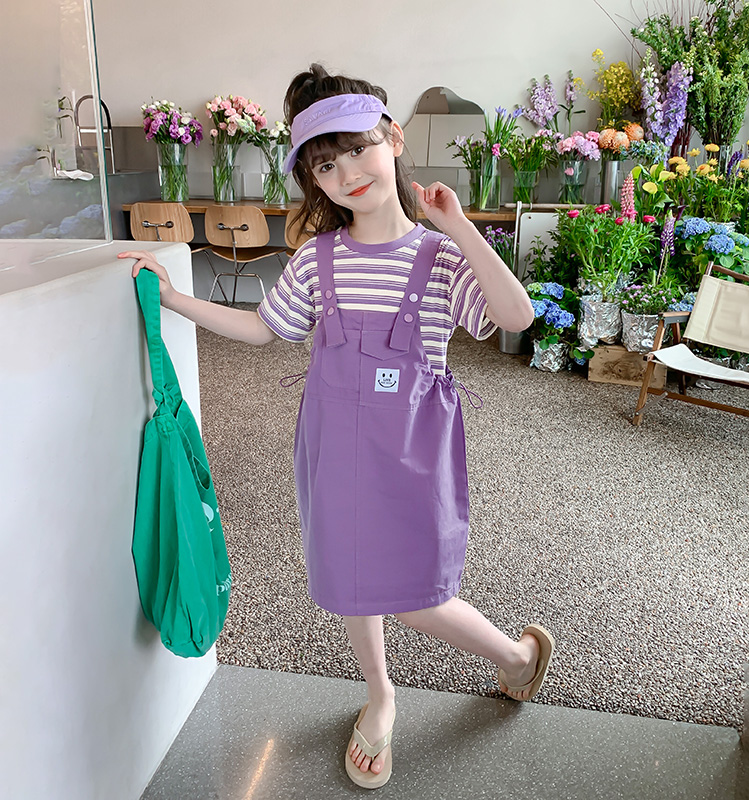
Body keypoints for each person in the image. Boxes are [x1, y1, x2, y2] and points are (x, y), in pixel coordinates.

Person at [120, 63, 554, 790]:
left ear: (392, 139)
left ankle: (516, 656)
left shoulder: (440, 257)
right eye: (325, 164)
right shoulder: (318, 259)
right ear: (311, 179)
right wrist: (173, 299)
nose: (348, 173)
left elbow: (516, 316)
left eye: (358, 149)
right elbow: (265, 328)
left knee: (415, 595)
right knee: (353, 577)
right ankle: (380, 697)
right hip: (336, 446)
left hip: (412, 452)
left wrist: (458, 226)